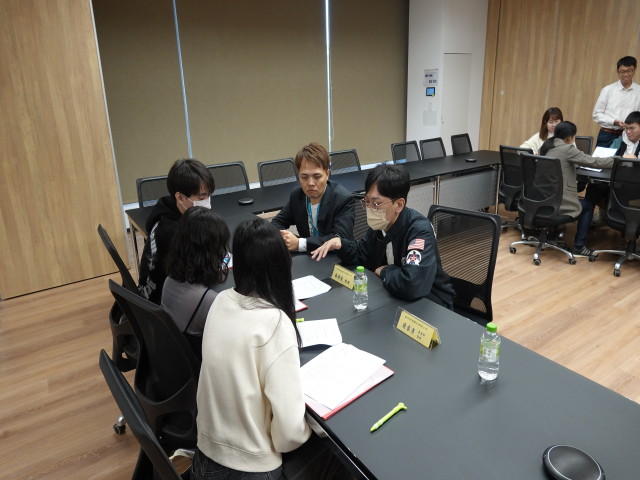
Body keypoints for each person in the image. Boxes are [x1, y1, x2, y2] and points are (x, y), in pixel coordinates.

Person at [194, 218, 348, 480]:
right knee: (338, 455)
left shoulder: (220, 301)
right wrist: (311, 429)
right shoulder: (274, 322)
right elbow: (288, 436)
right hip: (250, 469)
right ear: (281, 265)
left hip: (205, 457)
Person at [311, 164, 455, 309]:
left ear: (399, 205)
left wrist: (385, 271)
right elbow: (362, 254)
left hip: (431, 302)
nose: (370, 209)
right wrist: (341, 244)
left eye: (376, 203)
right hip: (396, 296)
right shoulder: (380, 224)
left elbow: (412, 284)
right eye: (367, 201)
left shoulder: (419, 230)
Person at [138, 158, 215, 304]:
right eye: (201, 198)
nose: (207, 203)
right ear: (180, 197)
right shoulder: (173, 233)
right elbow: (201, 274)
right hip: (162, 305)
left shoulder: (166, 210)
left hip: (149, 294)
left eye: (208, 196)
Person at [161, 207, 230, 360]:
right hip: (200, 365)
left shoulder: (169, 280)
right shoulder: (209, 300)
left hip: (174, 358)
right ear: (210, 251)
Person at [538, 121, 615, 257]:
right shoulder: (567, 149)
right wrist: (618, 160)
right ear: (569, 137)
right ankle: (579, 247)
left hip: (542, 200)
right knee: (588, 205)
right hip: (558, 204)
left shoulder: (546, 147)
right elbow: (595, 162)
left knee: (584, 201)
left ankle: (551, 234)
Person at [271, 143, 355, 253]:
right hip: (309, 257)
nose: (310, 183)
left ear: (327, 174)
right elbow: (277, 222)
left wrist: (299, 243)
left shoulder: (343, 199)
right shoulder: (297, 195)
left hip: (336, 258)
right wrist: (285, 237)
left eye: (317, 176)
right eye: (304, 177)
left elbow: (338, 240)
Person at [592, 56, 640, 148]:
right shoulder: (607, 90)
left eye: (629, 71)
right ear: (617, 71)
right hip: (607, 134)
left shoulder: (639, 91)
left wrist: (630, 125)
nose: (625, 74)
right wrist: (613, 121)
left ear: (634, 70)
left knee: (628, 157)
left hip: (630, 136)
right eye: (622, 71)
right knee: (602, 157)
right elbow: (596, 114)